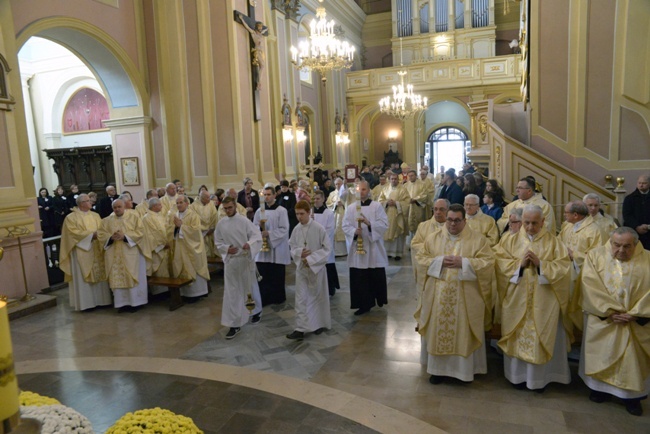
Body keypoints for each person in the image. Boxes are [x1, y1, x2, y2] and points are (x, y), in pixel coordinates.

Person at [414, 204, 495, 384]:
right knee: (438, 329)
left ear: (464, 221)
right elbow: (421, 259)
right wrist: (439, 261)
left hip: (466, 297)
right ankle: (438, 370)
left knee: (462, 332)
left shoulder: (478, 240)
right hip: (438, 297)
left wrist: (464, 263)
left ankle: (463, 373)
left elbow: (488, 262)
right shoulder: (433, 238)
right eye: (449, 219)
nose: (452, 224)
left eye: (457, 220)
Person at [494, 205, 572, 392]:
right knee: (517, 336)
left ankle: (539, 380)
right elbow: (499, 264)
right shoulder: (509, 241)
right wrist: (519, 265)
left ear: (543, 222)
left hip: (544, 302)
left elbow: (564, 270)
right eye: (526, 222)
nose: (529, 227)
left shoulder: (554, 243)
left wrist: (541, 265)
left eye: (534, 223)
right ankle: (517, 377)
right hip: (516, 299)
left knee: (539, 336)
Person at [575, 227, 650, 416]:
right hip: (605, 321)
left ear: (636, 245)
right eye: (616, 245)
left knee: (632, 361)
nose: (621, 251)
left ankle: (633, 398)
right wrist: (609, 311)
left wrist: (637, 313)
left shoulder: (648, 258)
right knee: (602, 354)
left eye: (627, 247)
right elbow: (589, 284)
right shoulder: (595, 256)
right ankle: (600, 390)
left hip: (635, 322)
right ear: (610, 242)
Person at [214, 197, 264, 340]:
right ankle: (235, 323)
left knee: (250, 288)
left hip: (244, 259)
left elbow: (257, 236)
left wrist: (249, 244)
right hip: (231, 262)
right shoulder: (221, 223)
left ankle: (255, 312)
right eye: (225, 208)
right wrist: (226, 249)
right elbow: (218, 242)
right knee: (232, 292)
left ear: (235, 206)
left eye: (230, 207)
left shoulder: (244, 221)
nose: (228, 210)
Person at [342, 180, 389, 315]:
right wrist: (353, 232)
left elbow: (384, 224)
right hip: (358, 247)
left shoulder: (376, 206)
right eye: (359, 189)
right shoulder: (351, 208)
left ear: (368, 191)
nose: (361, 192)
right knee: (360, 277)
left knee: (375, 275)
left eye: (364, 189)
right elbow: (345, 225)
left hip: (373, 247)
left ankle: (379, 298)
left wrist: (369, 224)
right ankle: (363, 304)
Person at [286, 200, 332, 340]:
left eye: (302, 214)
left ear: (309, 212)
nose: (299, 217)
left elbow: (327, 249)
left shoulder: (318, 228)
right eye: (297, 214)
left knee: (316, 297)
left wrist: (311, 259)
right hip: (302, 269)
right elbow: (292, 247)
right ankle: (300, 328)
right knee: (300, 298)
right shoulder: (296, 229)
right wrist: (300, 253)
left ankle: (317, 324)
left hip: (316, 269)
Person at [59, 194, 112, 311]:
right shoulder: (71, 218)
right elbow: (72, 233)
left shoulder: (95, 215)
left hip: (96, 249)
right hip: (82, 250)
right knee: (83, 276)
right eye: (88, 201)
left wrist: (101, 235)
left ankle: (102, 301)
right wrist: (90, 235)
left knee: (100, 273)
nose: (91, 202)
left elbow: (102, 229)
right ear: (81, 203)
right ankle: (86, 304)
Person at [97, 199, 148, 312]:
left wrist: (125, 237)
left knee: (131, 276)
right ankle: (122, 304)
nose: (117, 209)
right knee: (118, 278)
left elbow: (140, 232)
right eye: (115, 207)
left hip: (130, 254)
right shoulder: (106, 221)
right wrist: (110, 237)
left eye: (119, 206)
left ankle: (136, 303)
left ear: (124, 206)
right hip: (114, 255)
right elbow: (101, 234)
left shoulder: (134, 218)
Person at [253, 186, 291, 306]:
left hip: (277, 247)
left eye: (269, 194)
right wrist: (259, 230)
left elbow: (285, 229)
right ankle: (264, 298)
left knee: (276, 274)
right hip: (263, 249)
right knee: (263, 273)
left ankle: (277, 297)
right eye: (265, 194)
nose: (267, 197)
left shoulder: (281, 211)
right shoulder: (259, 211)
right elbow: (253, 228)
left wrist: (268, 233)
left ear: (275, 195)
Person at [169, 195, 210, 300]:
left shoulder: (193, 215)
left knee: (193, 266)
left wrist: (181, 227)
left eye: (181, 202)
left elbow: (196, 231)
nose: (178, 205)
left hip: (192, 247)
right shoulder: (175, 215)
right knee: (181, 266)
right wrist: (175, 228)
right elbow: (171, 231)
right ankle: (185, 293)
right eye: (177, 203)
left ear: (187, 203)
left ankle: (197, 293)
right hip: (180, 247)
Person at [558, 201, 603, 283]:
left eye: (566, 212)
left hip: (583, 276)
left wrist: (574, 255)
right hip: (564, 269)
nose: (564, 215)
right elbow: (557, 242)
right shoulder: (567, 226)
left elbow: (598, 256)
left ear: (575, 215)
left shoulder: (594, 230)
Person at [312, 190, 340, 296]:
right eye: (314, 198)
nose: (316, 201)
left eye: (318, 198)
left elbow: (330, 229)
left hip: (324, 244)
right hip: (313, 245)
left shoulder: (328, 213)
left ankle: (330, 287)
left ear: (323, 199)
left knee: (328, 265)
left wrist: (320, 240)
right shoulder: (310, 213)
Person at [141, 197, 170, 295]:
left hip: (165, 247)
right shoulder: (147, 218)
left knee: (165, 270)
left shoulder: (159, 215)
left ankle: (166, 291)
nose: (162, 206)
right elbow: (149, 235)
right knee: (158, 272)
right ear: (154, 206)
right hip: (157, 249)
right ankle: (159, 294)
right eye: (160, 205)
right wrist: (161, 245)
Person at [378, 173, 410, 259]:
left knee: (397, 233)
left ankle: (397, 253)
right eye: (392, 179)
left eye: (395, 179)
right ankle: (388, 253)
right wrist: (386, 203)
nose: (394, 180)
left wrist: (396, 203)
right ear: (389, 179)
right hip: (387, 214)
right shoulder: (385, 189)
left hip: (398, 215)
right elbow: (380, 201)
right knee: (387, 232)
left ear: (398, 180)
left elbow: (407, 202)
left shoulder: (403, 190)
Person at [622, 175, 650, 250]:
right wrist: (637, 226)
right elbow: (627, 215)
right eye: (639, 183)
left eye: (644, 183)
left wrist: (648, 226)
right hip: (634, 232)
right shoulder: (629, 198)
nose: (641, 185)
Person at [326, 177, 351, 256]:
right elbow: (328, 204)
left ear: (342, 184)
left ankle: (346, 250)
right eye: (336, 184)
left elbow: (351, 203)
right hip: (336, 215)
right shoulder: (332, 194)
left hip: (345, 214)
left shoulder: (347, 193)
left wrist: (343, 204)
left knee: (345, 230)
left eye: (339, 184)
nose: (338, 185)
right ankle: (337, 252)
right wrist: (335, 205)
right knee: (336, 231)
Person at [191, 190, 218, 258]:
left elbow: (214, 216)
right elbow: (194, 220)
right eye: (207, 198)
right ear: (202, 198)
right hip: (200, 233)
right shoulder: (193, 206)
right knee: (203, 253)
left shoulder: (211, 204)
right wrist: (204, 230)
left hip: (211, 231)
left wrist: (212, 227)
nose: (209, 199)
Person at [405, 170, 429, 236]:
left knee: (418, 224)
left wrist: (415, 199)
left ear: (416, 176)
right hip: (409, 207)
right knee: (409, 224)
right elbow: (403, 196)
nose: (410, 177)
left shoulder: (422, 184)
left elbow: (424, 195)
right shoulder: (406, 185)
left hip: (418, 207)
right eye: (409, 176)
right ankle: (409, 243)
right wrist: (408, 200)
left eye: (412, 175)